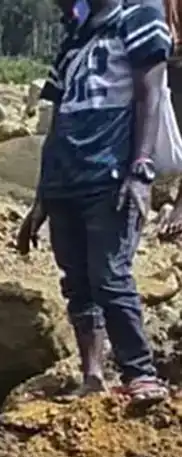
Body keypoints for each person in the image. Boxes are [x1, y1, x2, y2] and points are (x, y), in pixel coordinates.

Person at [19, 0, 170, 403]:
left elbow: (149, 93)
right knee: (77, 283)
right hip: (66, 180)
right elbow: (57, 121)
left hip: (111, 175)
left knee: (110, 275)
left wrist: (141, 168)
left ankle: (140, 372)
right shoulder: (75, 39)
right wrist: (41, 196)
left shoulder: (139, 17)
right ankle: (93, 376)